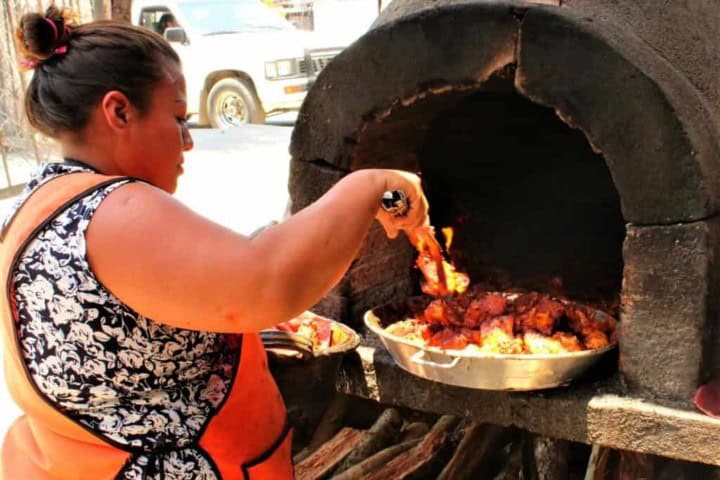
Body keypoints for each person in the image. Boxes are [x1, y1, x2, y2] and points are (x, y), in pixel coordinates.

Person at [3, 5, 429, 479]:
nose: (188, 141)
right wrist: (369, 185)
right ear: (118, 111)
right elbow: (269, 282)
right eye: (178, 117)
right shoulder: (112, 209)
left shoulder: (46, 201)